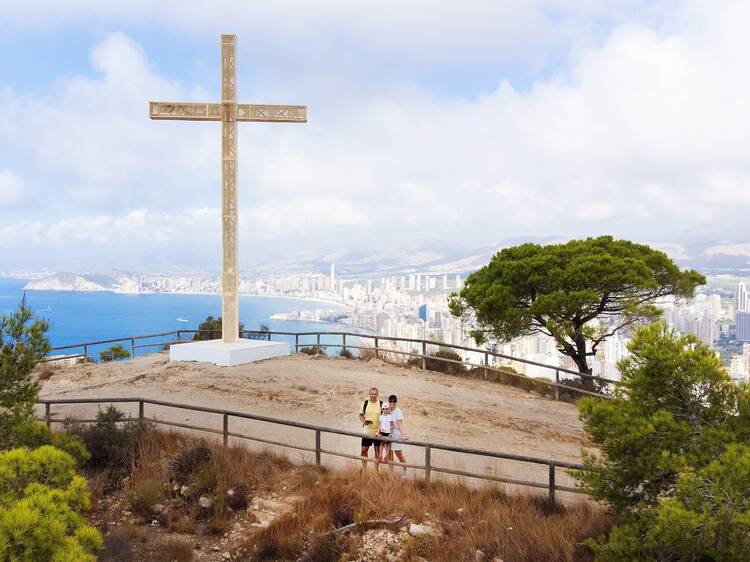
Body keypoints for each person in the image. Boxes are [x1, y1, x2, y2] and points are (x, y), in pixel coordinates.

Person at [358, 386, 382, 470]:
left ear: (377, 395)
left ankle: (376, 470)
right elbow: (360, 415)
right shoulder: (365, 403)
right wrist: (364, 421)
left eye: (375, 394)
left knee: (377, 453)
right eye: (371, 394)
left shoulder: (381, 404)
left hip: (377, 433)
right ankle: (364, 469)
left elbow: (385, 418)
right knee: (363, 451)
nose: (373, 396)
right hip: (366, 432)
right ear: (369, 394)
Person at [387, 394, 407, 476]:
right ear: (388, 402)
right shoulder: (387, 410)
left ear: (396, 402)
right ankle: (391, 473)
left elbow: (400, 424)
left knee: (398, 453)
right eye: (390, 401)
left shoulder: (398, 411)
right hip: (388, 433)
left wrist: (402, 436)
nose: (392, 403)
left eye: (394, 401)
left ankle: (405, 470)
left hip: (396, 433)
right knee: (389, 453)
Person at [378, 402, 394, 468]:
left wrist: (390, 433)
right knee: (381, 445)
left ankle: (387, 456)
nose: (385, 410)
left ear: (389, 409)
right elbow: (379, 425)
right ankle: (380, 456)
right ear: (382, 409)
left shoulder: (390, 416)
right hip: (382, 432)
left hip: (388, 433)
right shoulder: (381, 417)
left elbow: (392, 425)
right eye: (383, 409)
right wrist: (378, 432)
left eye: (386, 408)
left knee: (388, 446)